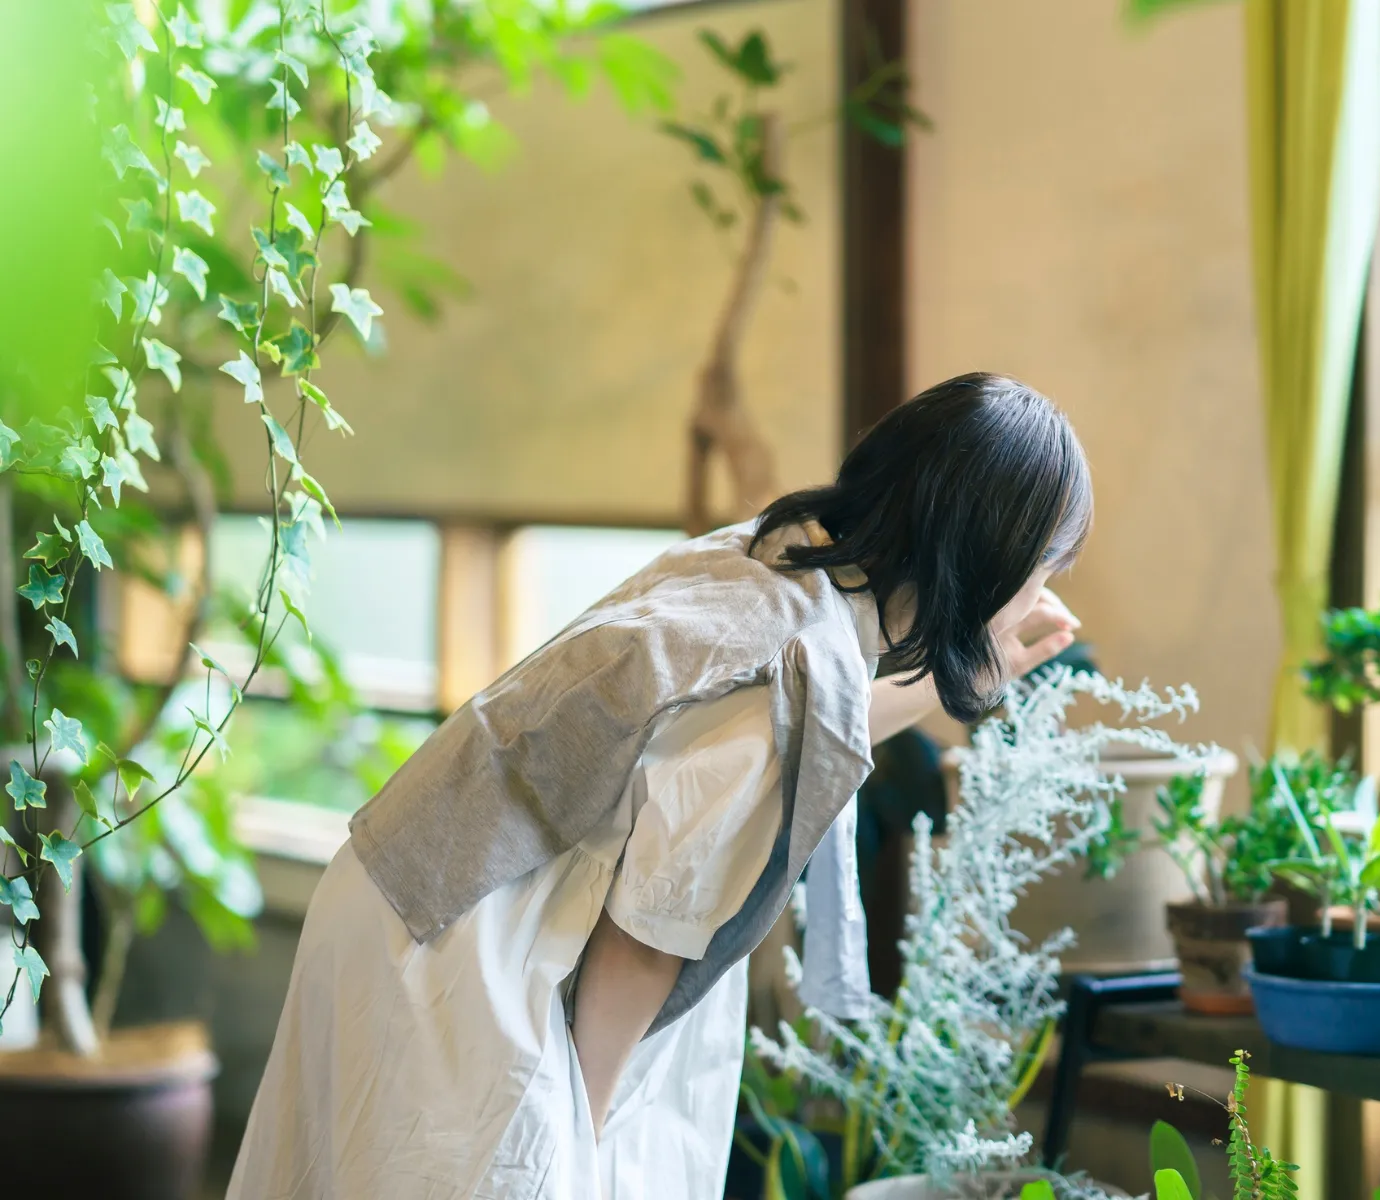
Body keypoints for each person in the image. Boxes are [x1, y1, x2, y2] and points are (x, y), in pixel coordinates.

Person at [226, 372, 1093, 1199]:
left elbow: (806, 726)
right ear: (991, 561)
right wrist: (583, 1139)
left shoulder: (773, 561)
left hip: (416, 881)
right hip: (465, 955)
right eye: (1043, 571)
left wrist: (980, 663)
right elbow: (639, 948)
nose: (1040, 595)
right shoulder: (781, 692)